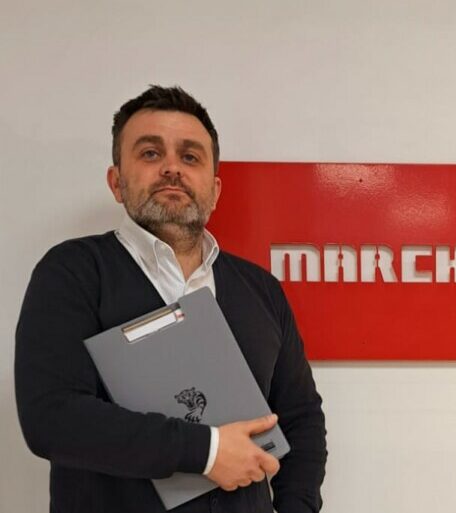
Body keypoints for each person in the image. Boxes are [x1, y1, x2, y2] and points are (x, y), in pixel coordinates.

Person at [15, 85, 327, 513]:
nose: (172, 168)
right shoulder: (73, 272)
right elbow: (52, 417)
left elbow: (301, 418)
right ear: (116, 182)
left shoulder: (261, 290)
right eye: (150, 153)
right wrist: (207, 451)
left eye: (190, 157)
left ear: (215, 189)